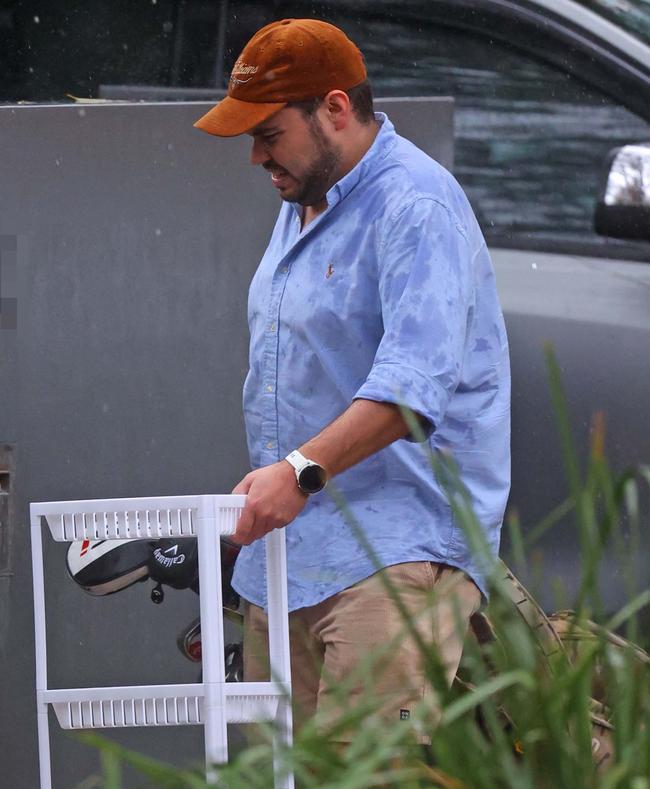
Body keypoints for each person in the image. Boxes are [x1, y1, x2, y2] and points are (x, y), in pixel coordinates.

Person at [194, 18, 510, 739]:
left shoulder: (416, 205)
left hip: (394, 557)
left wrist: (298, 471)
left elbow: (412, 391)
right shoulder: (304, 195)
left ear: (335, 109)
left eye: (269, 133)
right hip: (290, 555)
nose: (255, 156)